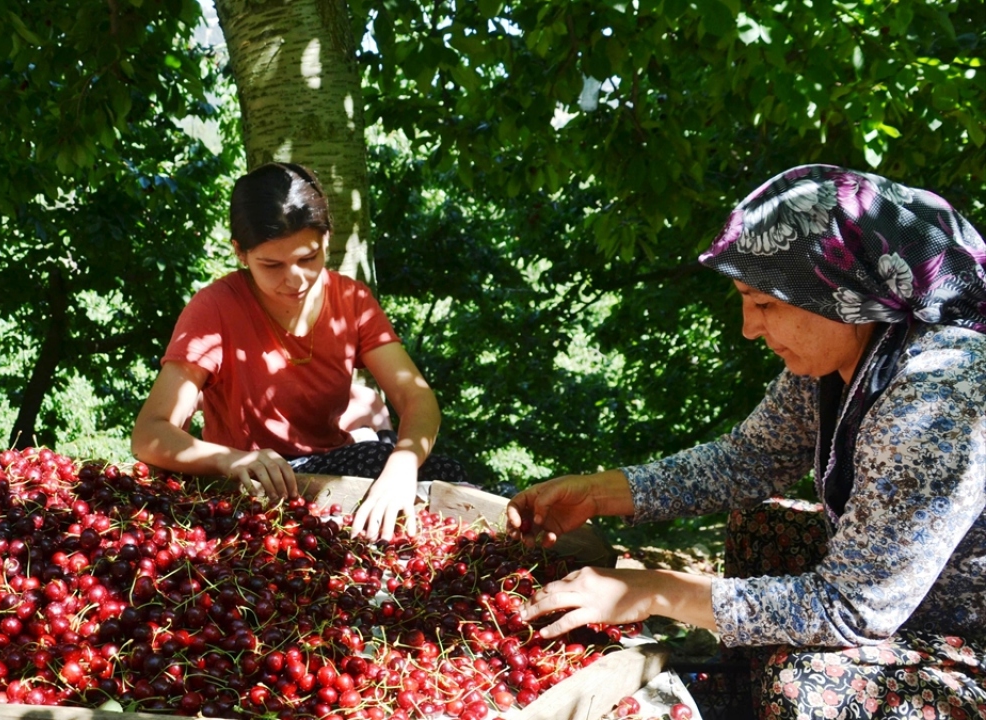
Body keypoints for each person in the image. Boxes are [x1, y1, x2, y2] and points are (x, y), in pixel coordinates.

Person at [507, 164, 986, 717]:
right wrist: (598, 493)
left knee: (808, 686)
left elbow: (852, 608)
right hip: (908, 605)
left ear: (842, 293)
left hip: (964, 643)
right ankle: (745, 687)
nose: (749, 328)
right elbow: (749, 459)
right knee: (764, 528)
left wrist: (649, 589)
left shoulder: (938, 396)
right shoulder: (839, 357)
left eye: (764, 303)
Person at [133, 162, 466, 541]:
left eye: (308, 259)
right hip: (251, 481)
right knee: (375, 457)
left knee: (446, 475)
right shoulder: (214, 308)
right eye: (272, 265)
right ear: (240, 253)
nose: (295, 279)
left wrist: (403, 466)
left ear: (327, 240)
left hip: (331, 468)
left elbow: (415, 397)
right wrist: (230, 458)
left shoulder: (351, 300)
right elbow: (149, 433)